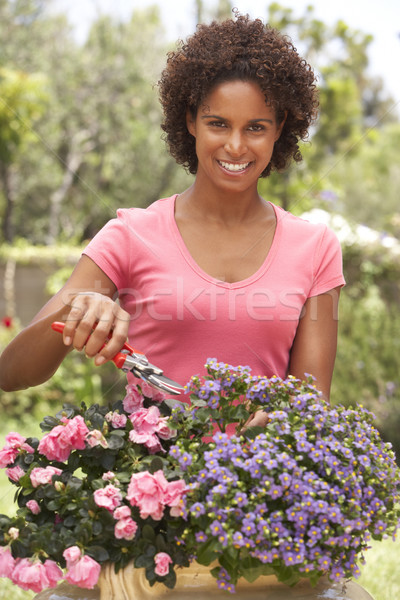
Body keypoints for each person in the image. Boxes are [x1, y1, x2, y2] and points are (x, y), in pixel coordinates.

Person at [0, 15, 345, 420]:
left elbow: (313, 406)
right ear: (190, 120)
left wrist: (277, 428)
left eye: (255, 127)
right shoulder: (129, 235)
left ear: (280, 128)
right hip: (153, 481)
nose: (235, 146)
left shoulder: (316, 248)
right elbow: (11, 373)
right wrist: (79, 307)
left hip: (260, 482)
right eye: (218, 123)